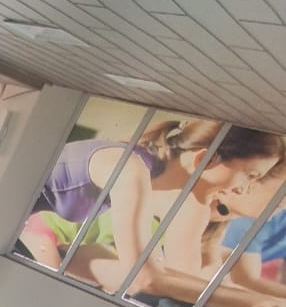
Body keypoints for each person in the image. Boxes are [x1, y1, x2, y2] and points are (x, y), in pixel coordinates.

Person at [22, 118, 283, 287]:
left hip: (73, 241)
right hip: (40, 226)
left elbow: (191, 275)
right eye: (252, 176)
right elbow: (160, 275)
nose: (281, 210)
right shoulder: (148, 180)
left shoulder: (207, 217)